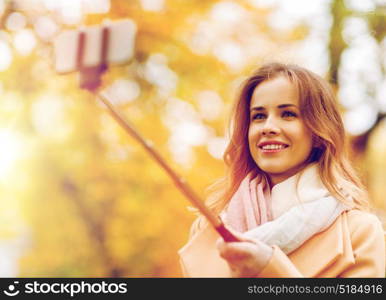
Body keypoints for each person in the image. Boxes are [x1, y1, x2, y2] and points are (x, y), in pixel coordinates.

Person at [178, 62, 385, 277]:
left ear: (318, 134)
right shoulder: (208, 228)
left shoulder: (359, 232)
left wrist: (270, 269)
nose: (268, 127)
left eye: (288, 114)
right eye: (258, 116)